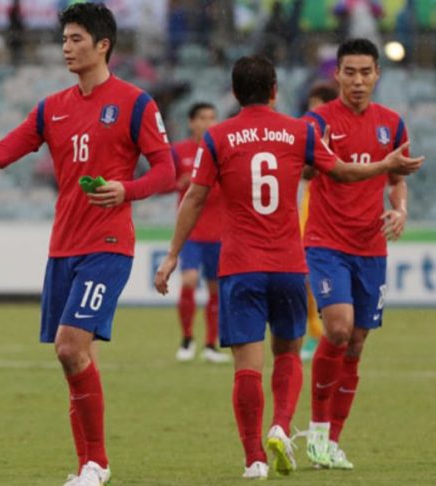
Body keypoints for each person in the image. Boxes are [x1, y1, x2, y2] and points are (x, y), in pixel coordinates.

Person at [0, 4, 174, 485]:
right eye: (64, 39)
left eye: (76, 39)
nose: (66, 47)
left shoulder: (135, 103)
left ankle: (96, 464)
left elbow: (167, 170)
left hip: (108, 245)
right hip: (63, 248)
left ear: (103, 45)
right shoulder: (52, 107)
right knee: (74, 359)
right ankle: (88, 465)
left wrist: (127, 190)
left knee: (70, 348)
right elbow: (3, 153)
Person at [154, 55, 422, 479]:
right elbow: (342, 172)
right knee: (289, 354)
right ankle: (281, 425)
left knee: (247, 364)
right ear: (275, 91)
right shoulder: (300, 131)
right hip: (287, 264)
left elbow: (195, 198)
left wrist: (172, 254)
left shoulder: (218, 136)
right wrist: (384, 166)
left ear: (234, 93)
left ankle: (254, 459)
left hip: (240, 264)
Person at [302, 38, 416, 470]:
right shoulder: (318, 121)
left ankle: (332, 441)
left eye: (366, 72)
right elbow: (314, 170)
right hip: (326, 242)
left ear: (377, 74)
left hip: (371, 247)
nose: (357, 81)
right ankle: (315, 432)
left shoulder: (392, 124)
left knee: (356, 344)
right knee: (337, 328)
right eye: (349, 72)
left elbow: (397, 180)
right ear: (337, 75)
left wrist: (399, 210)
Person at [171, 102, 229, 363]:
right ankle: (186, 339)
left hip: (219, 232)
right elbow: (163, 181)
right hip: (191, 231)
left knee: (216, 288)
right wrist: (177, 184)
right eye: (203, 118)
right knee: (189, 280)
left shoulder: (224, 150)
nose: (208, 123)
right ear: (191, 122)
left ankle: (210, 345)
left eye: (212, 117)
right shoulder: (179, 151)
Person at [299, 81, 339, 361]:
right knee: (306, 277)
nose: (313, 113)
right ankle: (315, 333)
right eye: (311, 106)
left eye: (318, 106)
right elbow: (302, 173)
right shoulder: (307, 134)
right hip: (311, 213)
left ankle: (334, 333)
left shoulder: (346, 135)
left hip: (340, 218)